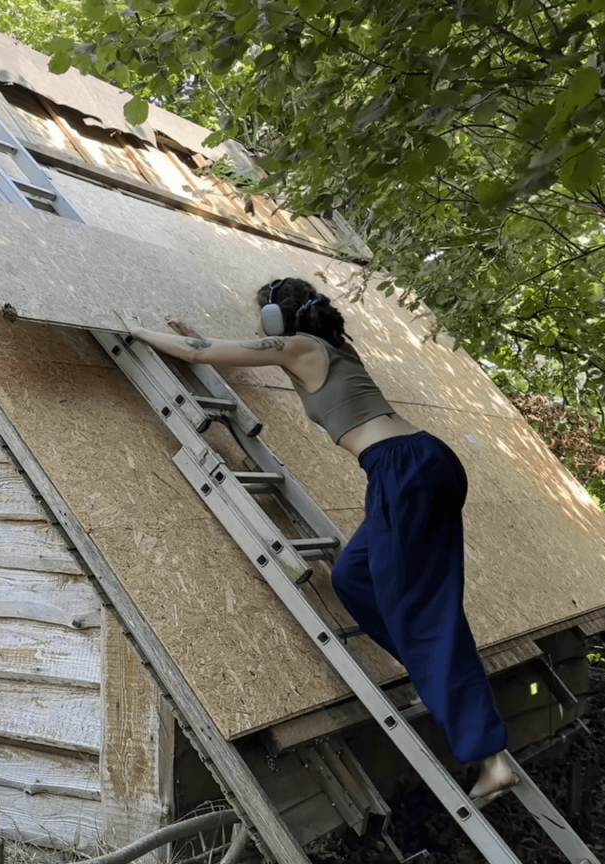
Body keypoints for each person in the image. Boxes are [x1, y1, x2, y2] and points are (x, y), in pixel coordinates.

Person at [121, 276, 517, 803]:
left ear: (273, 321)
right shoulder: (328, 348)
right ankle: (441, 675)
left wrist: (134, 329)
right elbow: (228, 353)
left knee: (426, 615)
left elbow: (199, 352)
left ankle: (490, 756)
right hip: (415, 464)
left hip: (405, 472)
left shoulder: (300, 347)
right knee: (355, 578)